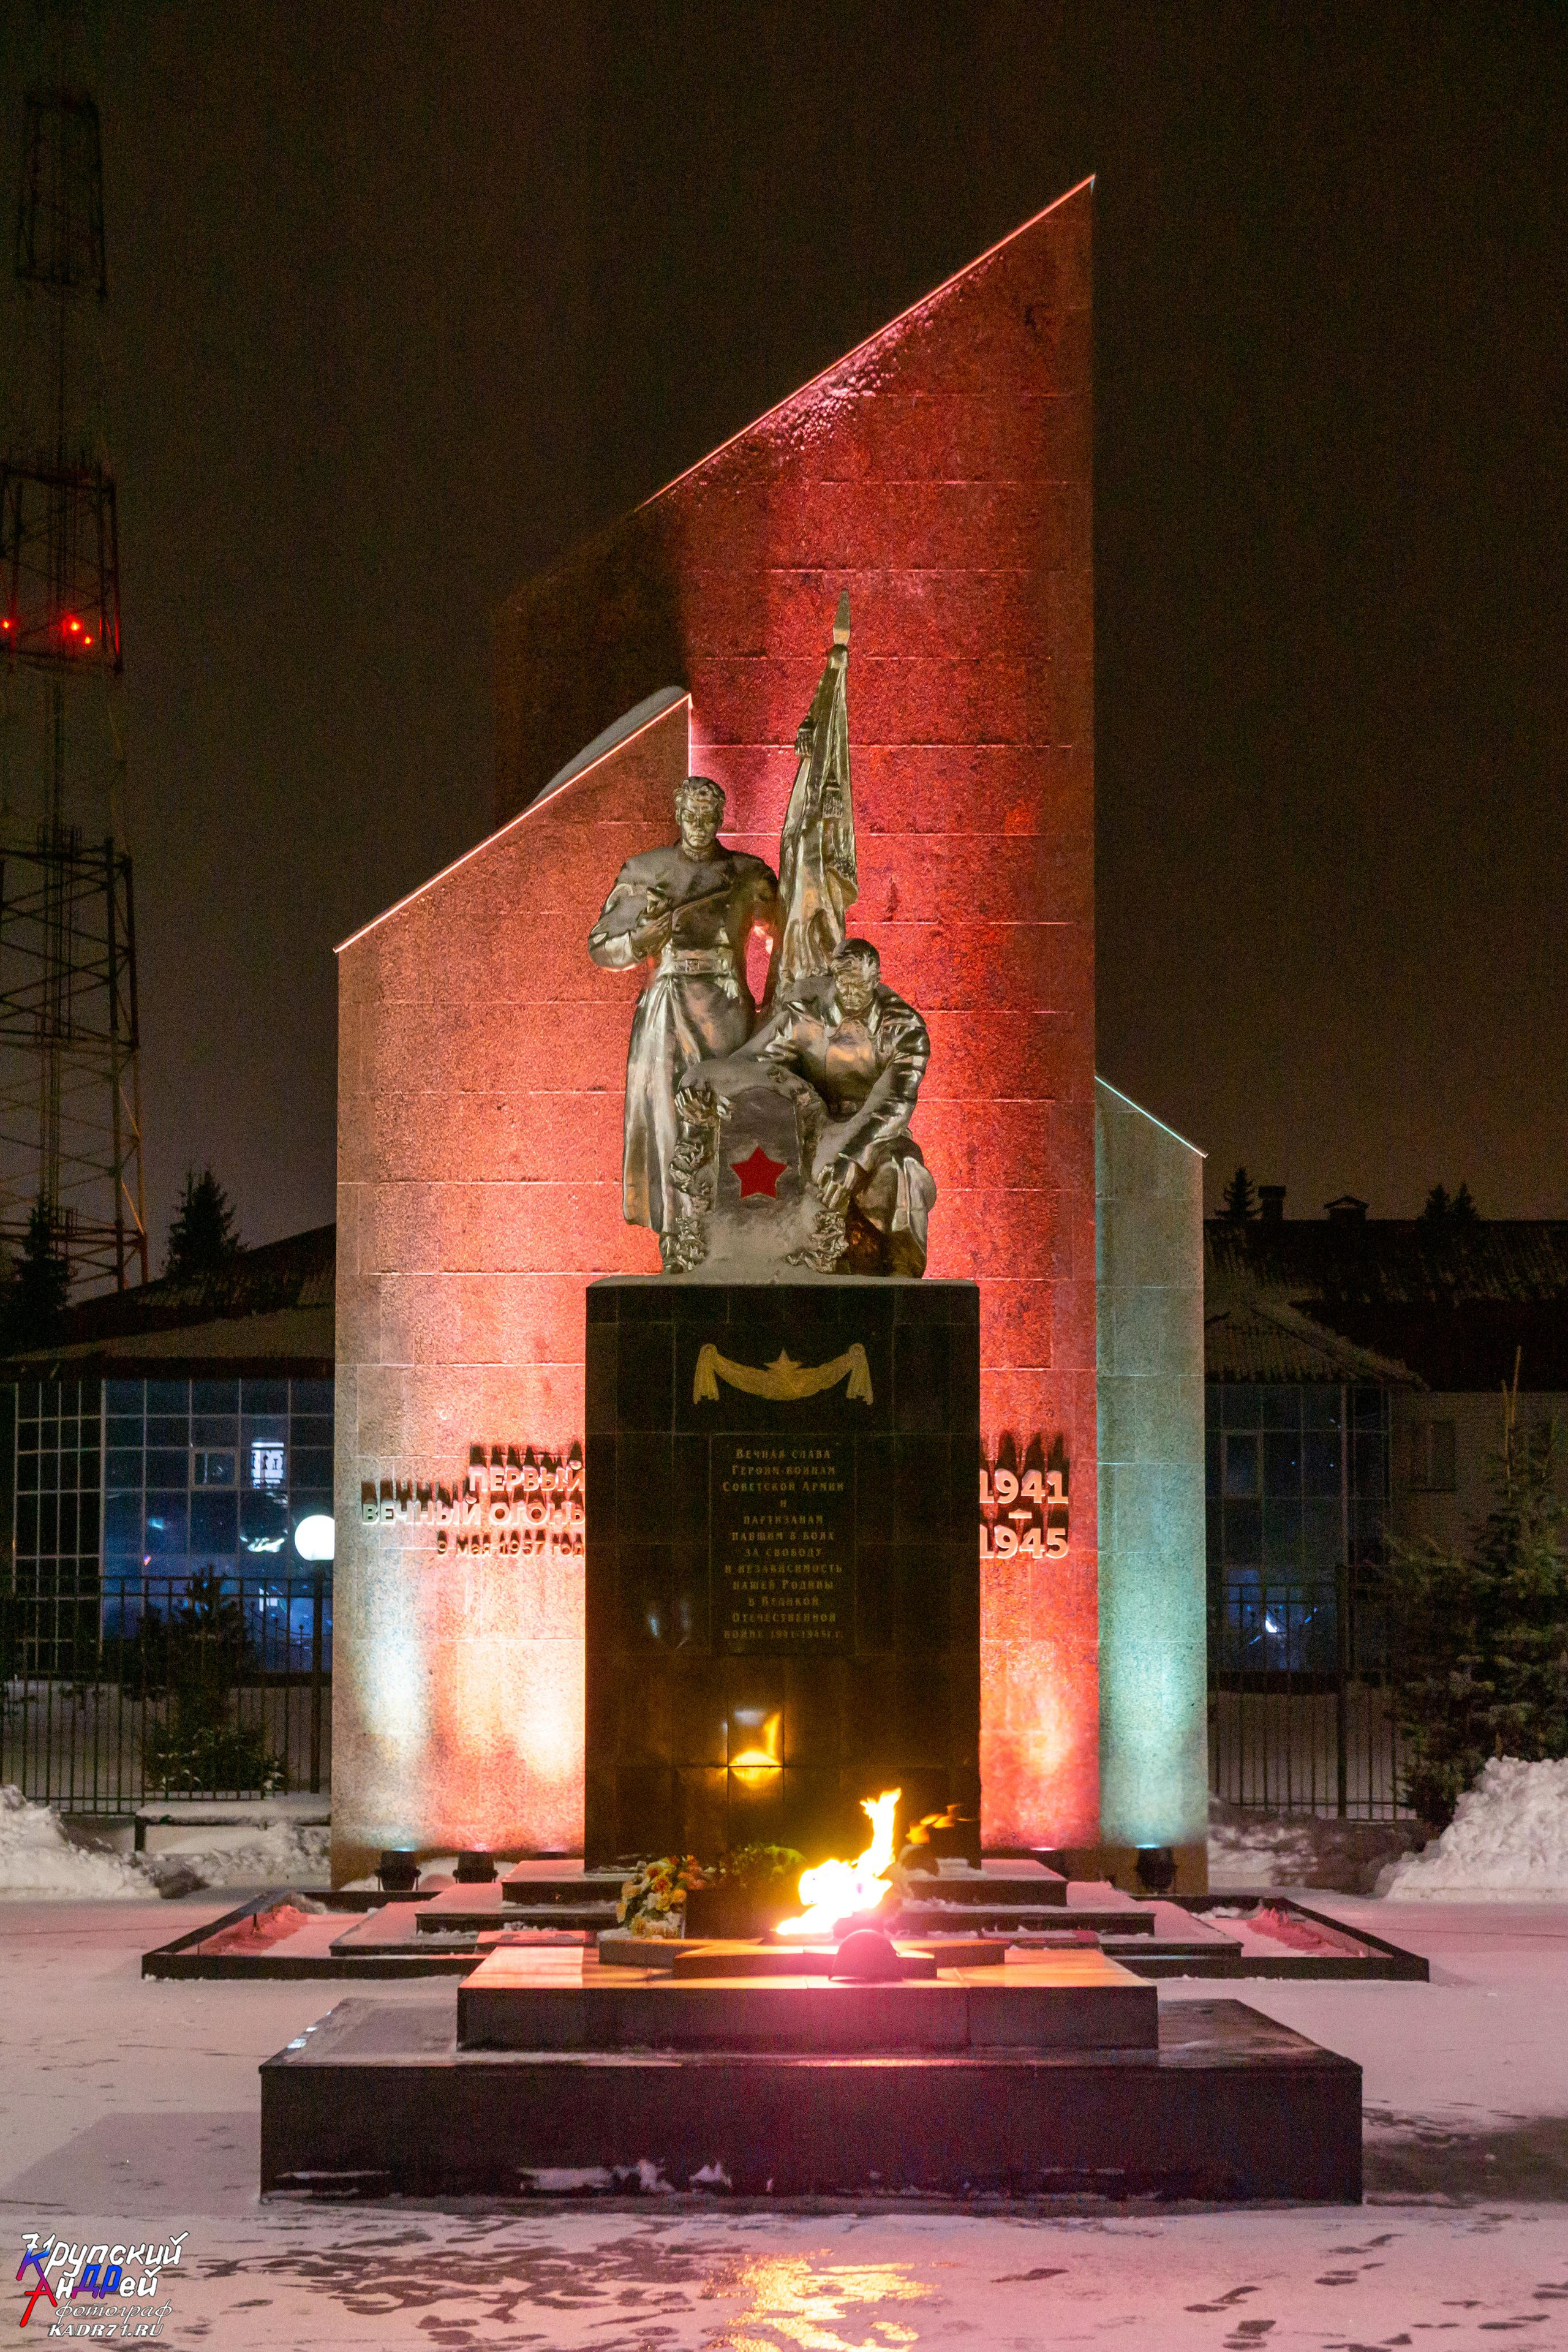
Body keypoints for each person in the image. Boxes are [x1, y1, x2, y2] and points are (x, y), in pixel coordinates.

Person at [588, 775, 777, 1235]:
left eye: (708, 817)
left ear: (720, 819)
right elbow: (600, 945)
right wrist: (638, 940)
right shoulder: (646, 870)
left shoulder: (748, 873)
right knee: (670, 1119)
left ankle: (734, 1232)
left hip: (727, 1009)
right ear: (678, 815)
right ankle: (680, 1232)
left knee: (728, 1113)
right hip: (668, 1012)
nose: (698, 825)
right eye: (690, 816)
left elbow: (789, 937)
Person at [740, 937, 937, 1276]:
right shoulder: (804, 1016)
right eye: (843, 984)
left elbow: (895, 1101)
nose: (850, 994)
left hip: (877, 1134)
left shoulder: (906, 1028)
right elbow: (755, 1064)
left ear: (876, 980)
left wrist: (852, 1158)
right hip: (815, 1124)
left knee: (903, 1170)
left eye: (859, 985)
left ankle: (903, 1271)